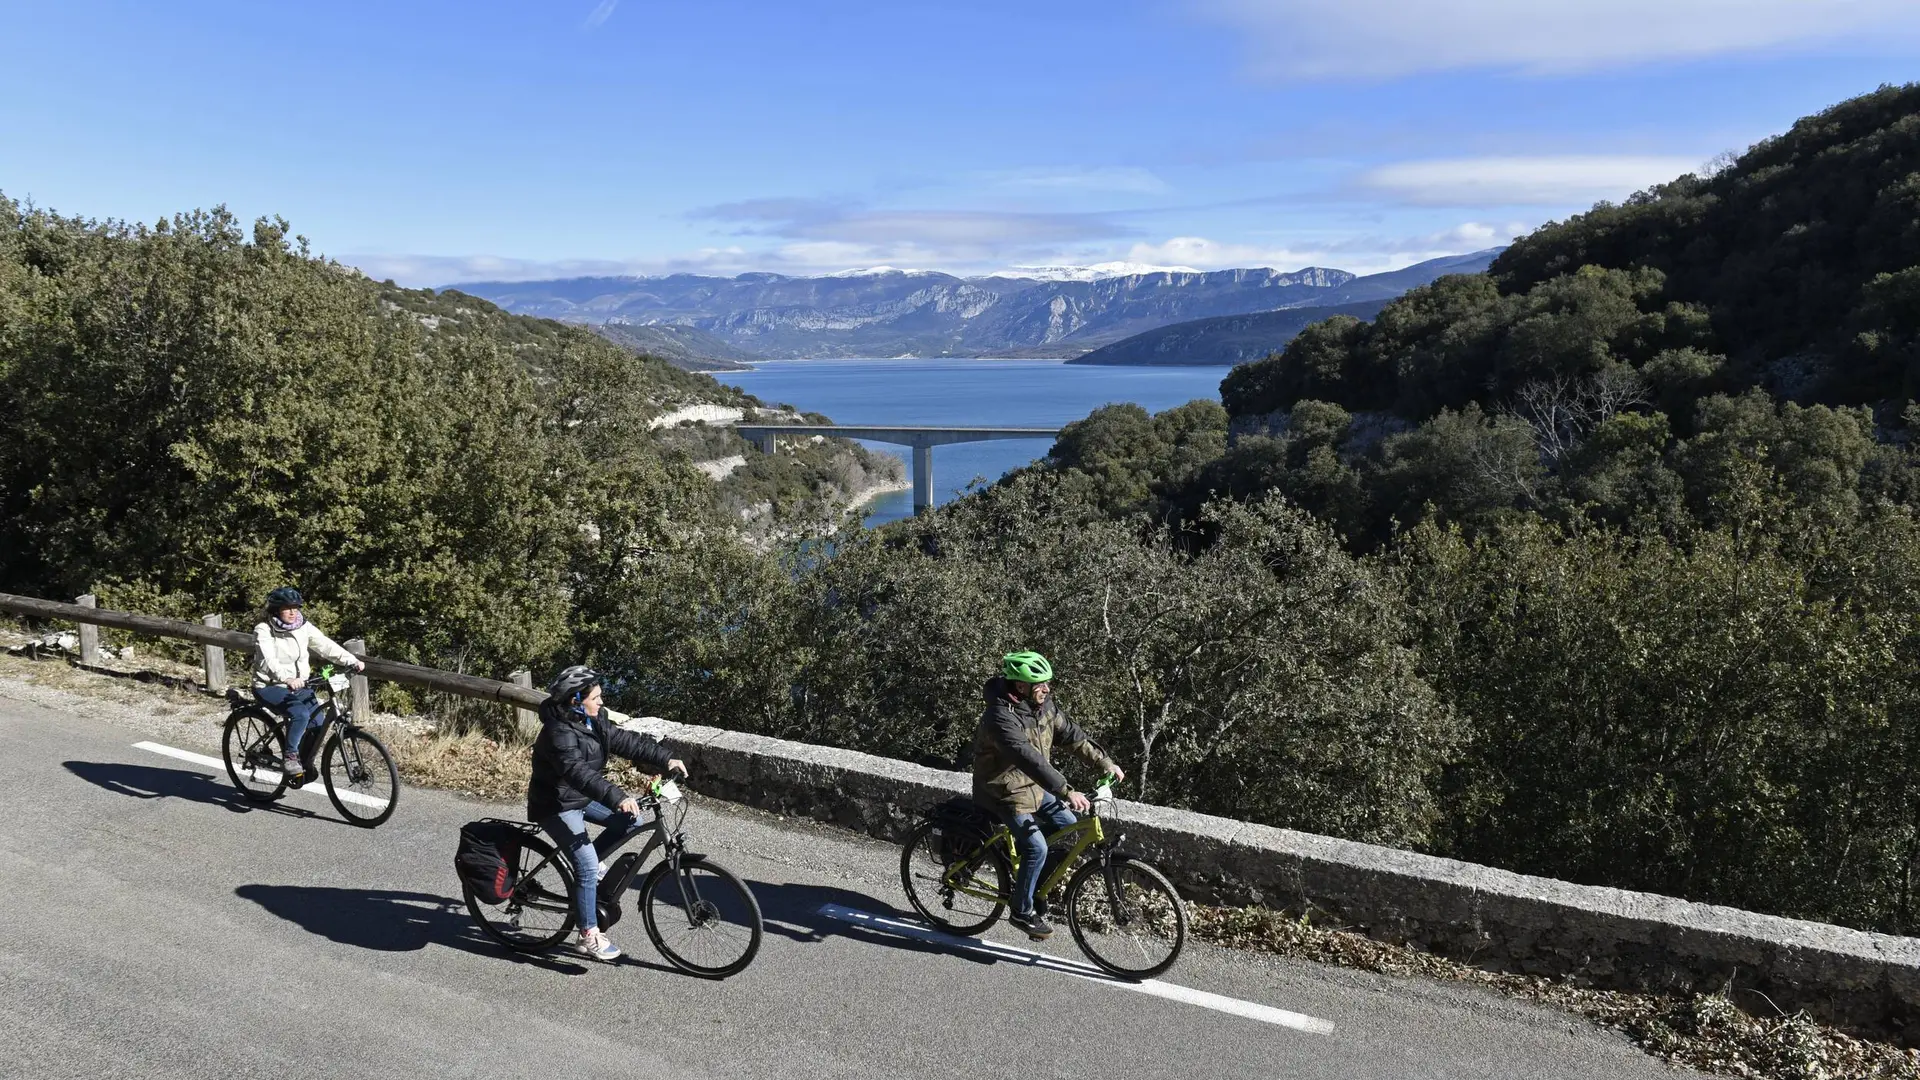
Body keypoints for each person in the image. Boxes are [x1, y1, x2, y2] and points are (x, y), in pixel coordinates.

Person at [528, 664, 685, 962]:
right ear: (576, 700)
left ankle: (587, 866)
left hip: (581, 796)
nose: (601, 702)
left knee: (631, 821)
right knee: (587, 864)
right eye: (595, 697)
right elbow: (575, 772)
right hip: (556, 804)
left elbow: (625, 741)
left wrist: (667, 759)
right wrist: (616, 796)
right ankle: (588, 934)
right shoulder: (558, 732)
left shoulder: (593, 718)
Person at [971, 650, 1124, 940]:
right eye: (1040, 684)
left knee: (1067, 825)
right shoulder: (1000, 717)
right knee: (1037, 848)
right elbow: (1029, 758)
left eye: (1047, 683)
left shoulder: (1043, 707)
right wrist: (1066, 790)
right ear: (1020, 687)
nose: (1047, 688)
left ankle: (1031, 886)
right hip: (1003, 790)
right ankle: (1021, 910)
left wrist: (1105, 762)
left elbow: (1072, 736)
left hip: (1033, 787)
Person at [251, 586, 364, 781]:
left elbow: (325, 645)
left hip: (301, 685)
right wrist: (286, 678)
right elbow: (268, 660)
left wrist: (350, 660)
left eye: (296, 607)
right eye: (288, 608)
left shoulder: (303, 626)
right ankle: (290, 758)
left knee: (318, 724)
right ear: (276, 609)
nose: (293, 612)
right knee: (301, 715)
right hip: (270, 686)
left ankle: (303, 763)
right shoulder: (265, 630)